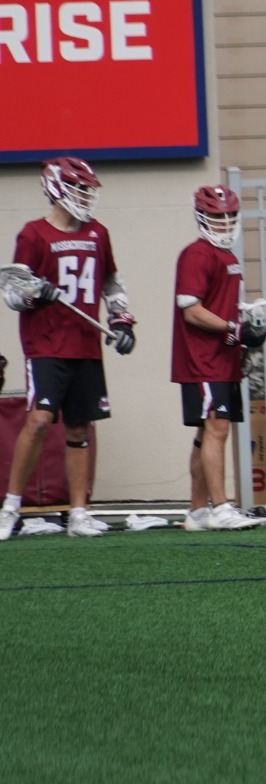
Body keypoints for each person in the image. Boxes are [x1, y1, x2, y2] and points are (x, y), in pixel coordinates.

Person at [1, 157, 134, 541]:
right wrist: (36, 294)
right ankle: (10, 508)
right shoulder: (33, 235)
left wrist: (122, 320)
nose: (86, 196)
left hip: (86, 344)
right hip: (46, 344)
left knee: (79, 425)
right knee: (40, 420)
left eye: (88, 190)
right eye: (79, 188)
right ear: (57, 189)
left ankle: (78, 513)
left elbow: (112, 282)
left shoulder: (98, 233)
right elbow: (12, 293)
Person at [173, 187, 265, 532]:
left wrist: (247, 328)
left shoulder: (228, 257)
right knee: (217, 428)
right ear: (202, 217)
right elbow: (192, 310)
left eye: (229, 216)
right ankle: (222, 507)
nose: (224, 223)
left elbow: (226, 308)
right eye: (216, 216)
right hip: (202, 358)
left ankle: (198, 511)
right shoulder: (197, 254)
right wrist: (234, 329)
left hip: (223, 356)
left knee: (206, 432)